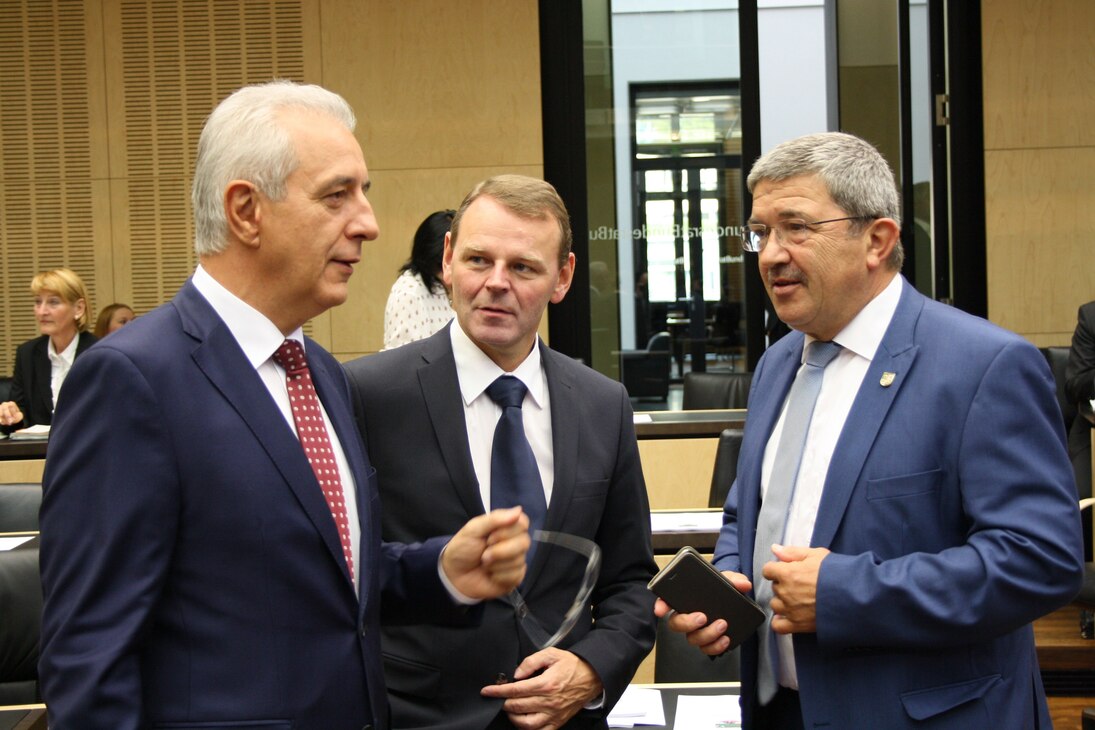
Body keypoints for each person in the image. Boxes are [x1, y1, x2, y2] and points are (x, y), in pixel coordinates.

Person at [37, 80, 531, 730]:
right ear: (246, 210)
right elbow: (89, 659)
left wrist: (438, 572)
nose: (369, 223)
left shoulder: (321, 373)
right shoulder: (131, 381)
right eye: (336, 195)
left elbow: (315, 569)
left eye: (364, 194)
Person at [657, 132, 1084, 729]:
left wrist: (842, 592)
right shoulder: (780, 364)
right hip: (778, 711)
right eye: (761, 233)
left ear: (877, 241)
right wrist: (729, 583)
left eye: (796, 228)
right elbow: (748, 513)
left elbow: (1040, 560)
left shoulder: (983, 366)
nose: (771, 254)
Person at [344, 174, 657, 729]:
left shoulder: (602, 405)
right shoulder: (367, 394)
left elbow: (629, 580)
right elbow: (348, 572)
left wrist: (592, 668)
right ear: (446, 260)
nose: (495, 283)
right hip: (419, 716)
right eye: (478, 260)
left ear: (562, 278)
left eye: (523, 267)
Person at [0, 268, 97, 431]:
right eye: (38, 302)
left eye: (53, 302)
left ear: (79, 308)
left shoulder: (100, 353)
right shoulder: (27, 354)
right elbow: (21, 418)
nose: (42, 311)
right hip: (40, 454)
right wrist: (11, 417)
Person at [382, 209, 455, 349]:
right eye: (443, 261)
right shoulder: (409, 293)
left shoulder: (440, 285)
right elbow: (404, 362)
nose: (449, 267)